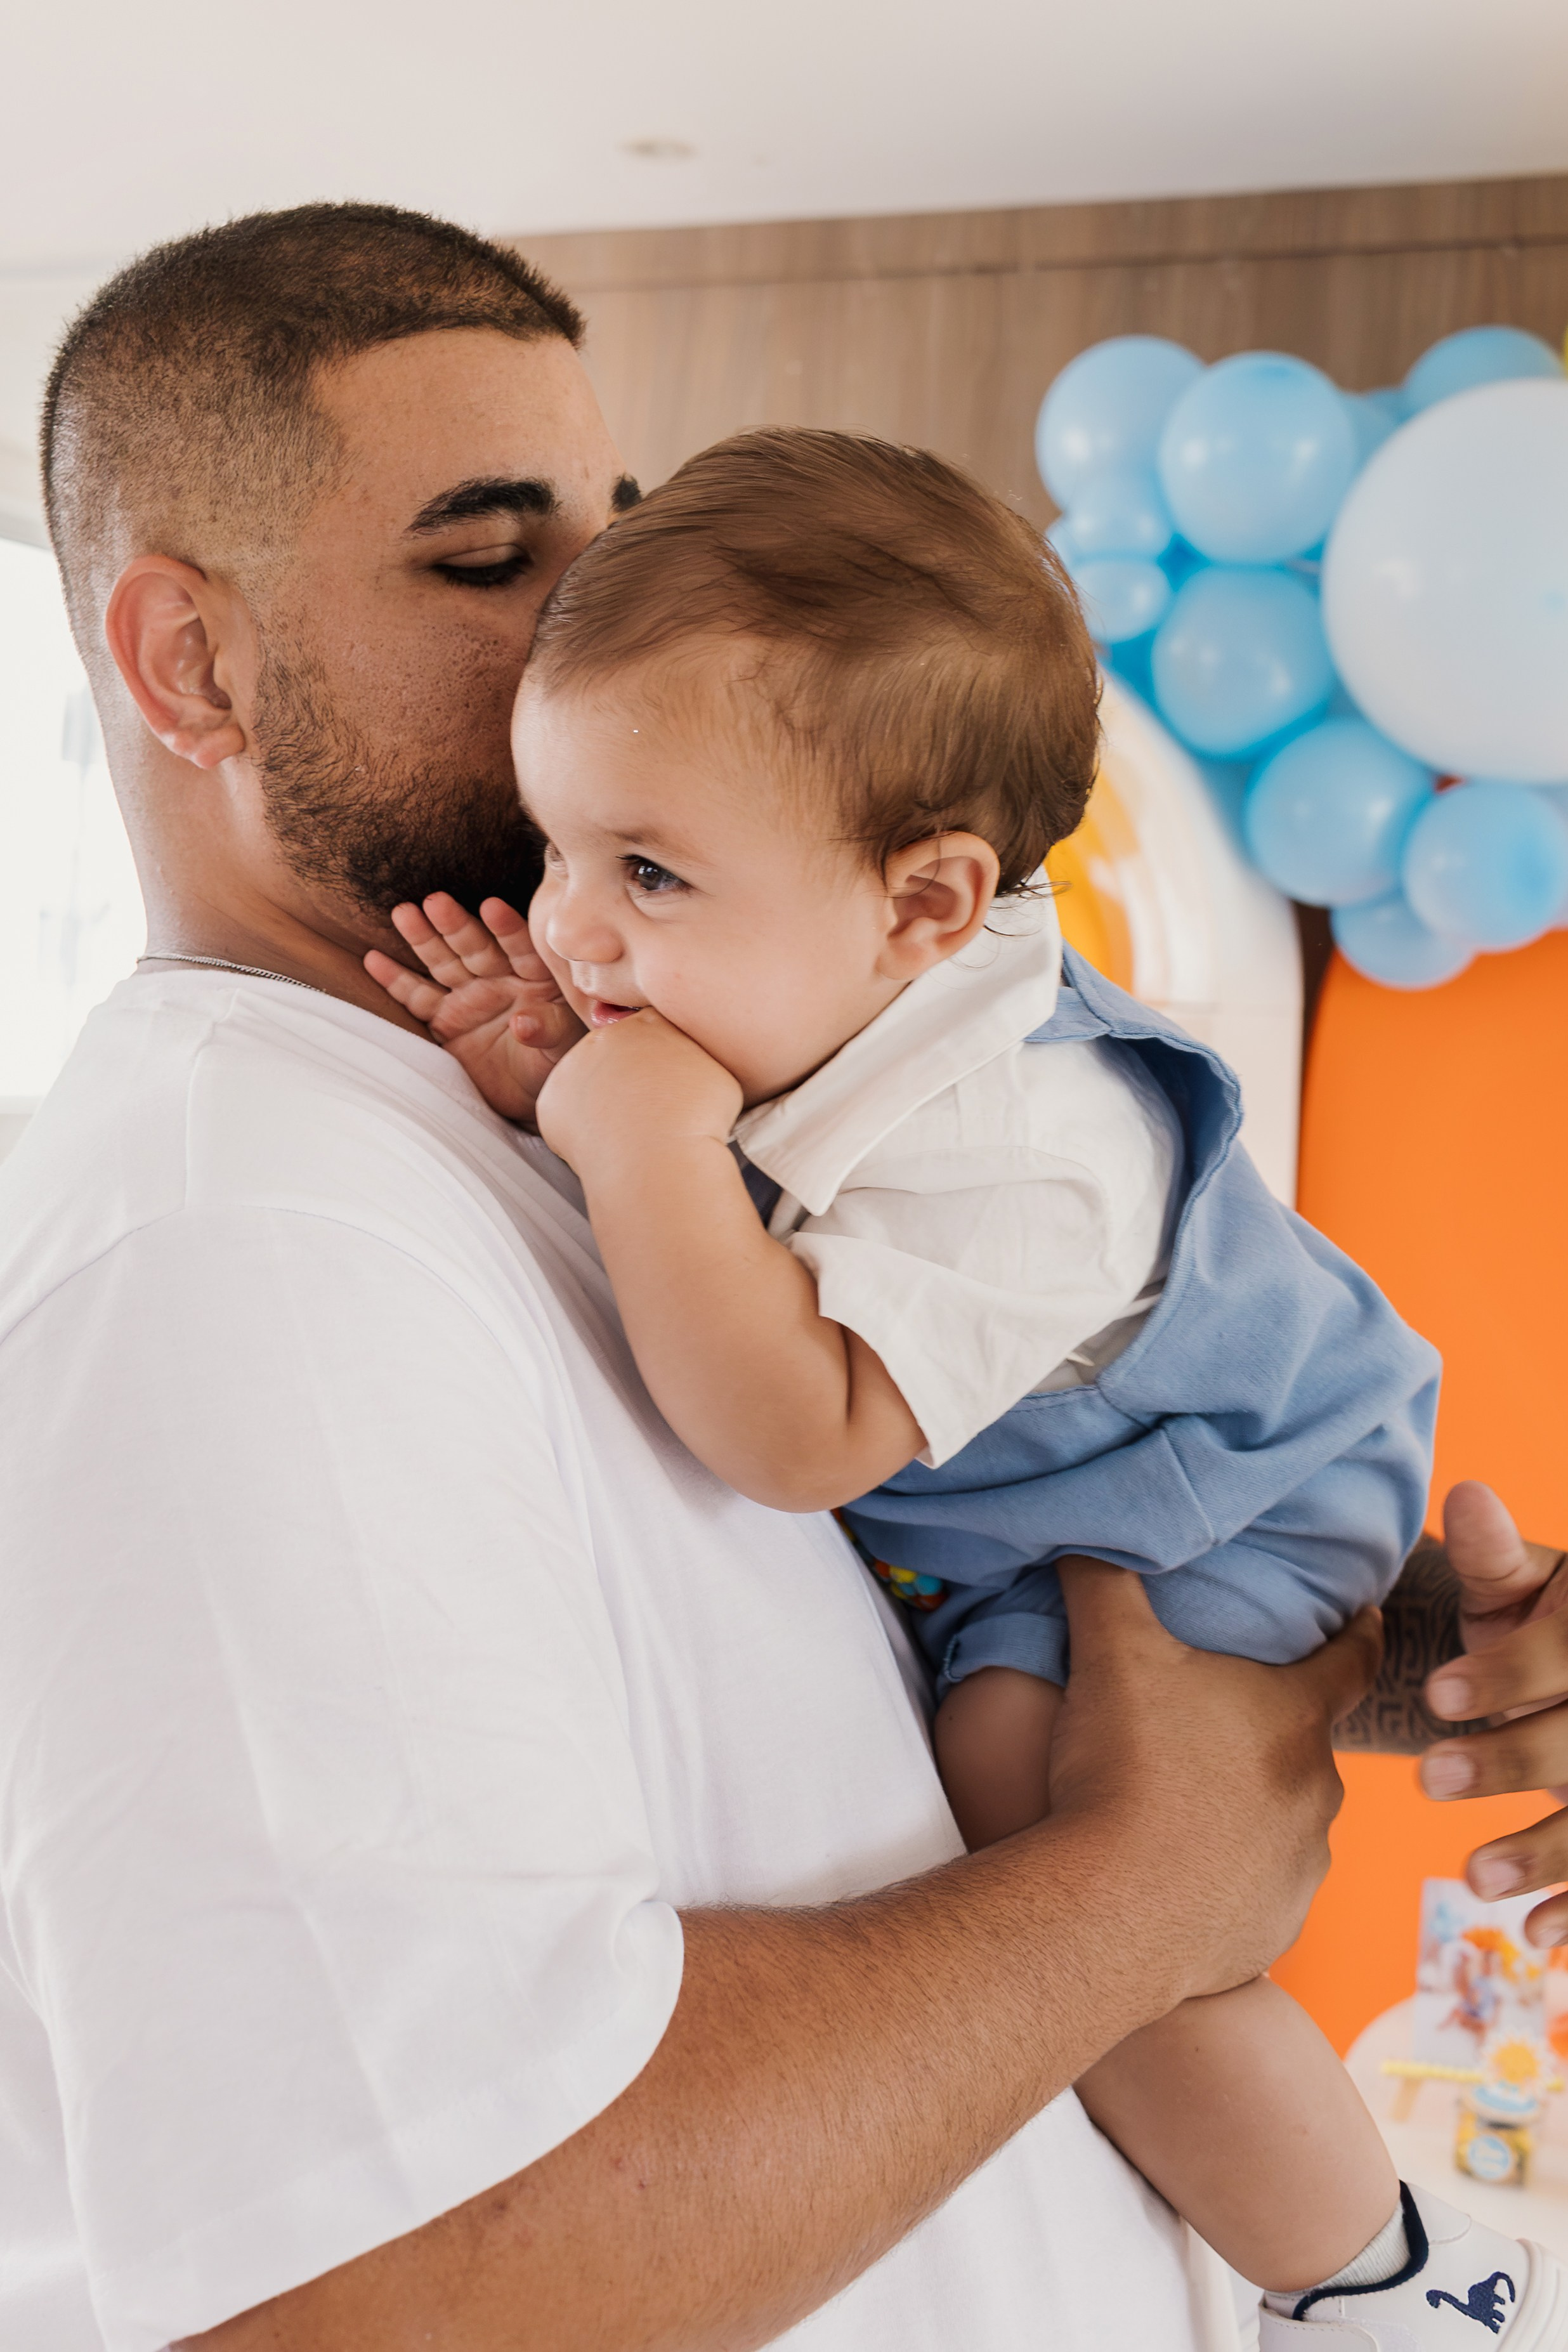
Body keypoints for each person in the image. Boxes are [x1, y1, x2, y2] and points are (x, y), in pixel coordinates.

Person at [0, 200, 1544, 2352]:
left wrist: (1412, 1652)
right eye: (485, 558)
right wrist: (1139, 1890)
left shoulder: (615, 1097)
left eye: (611, 530)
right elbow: (385, 2285)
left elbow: (846, 1625)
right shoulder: (232, 1234)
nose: (597, 627)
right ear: (192, 665)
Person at [373, 427, 1558, 2344]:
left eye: (649, 872)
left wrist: (637, 1141)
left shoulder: (1033, 1139)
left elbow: (794, 1429)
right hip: (1051, 1494)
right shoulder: (814, 973)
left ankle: (1388, 2273)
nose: (579, 927)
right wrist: (581, 1065)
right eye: (558, 854)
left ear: (930, 905)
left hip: (1226, 1481)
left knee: (1048, 1826)